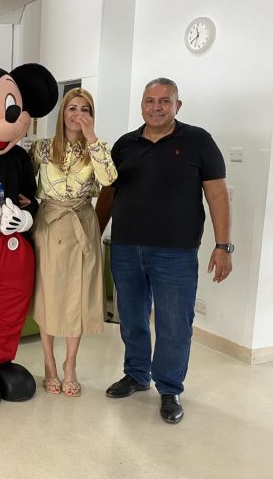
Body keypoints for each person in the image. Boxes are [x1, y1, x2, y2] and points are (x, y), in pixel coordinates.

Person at [96, 77, 232, 424]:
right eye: (150, 101)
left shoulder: (198, 141)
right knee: (131, 317)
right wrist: (94, 234)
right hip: (126, 248)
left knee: (174, 324)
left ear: (177, 105)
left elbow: (217, 195)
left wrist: (223, 245)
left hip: (175, 253)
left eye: (164, 101)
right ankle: (136, 374)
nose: (156, 107)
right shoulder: (124, 145)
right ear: (142, 104)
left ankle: (169, 389)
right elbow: (108, 194)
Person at [29, 87, 117, 398]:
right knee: (48, 294)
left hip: (82, 223)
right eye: (72, 108)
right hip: (50, 224)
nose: (78, 114)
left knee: (77, 296)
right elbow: (22, 179)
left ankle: (70, 364)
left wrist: (91, 138)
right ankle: (49, 362)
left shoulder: (98, 149)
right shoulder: (41, 148)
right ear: (63, 113)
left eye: (85, 109)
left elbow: (109, 179)